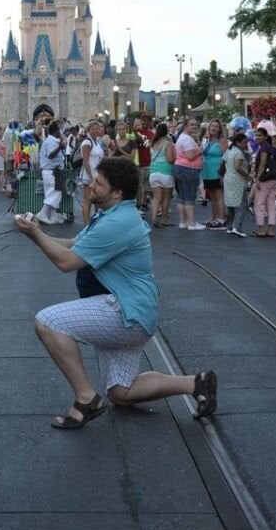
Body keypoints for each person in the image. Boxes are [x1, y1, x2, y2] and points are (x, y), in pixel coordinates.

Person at [14, 157, 217, 428]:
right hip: (132, 313)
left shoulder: (118, 223)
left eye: (99, 183)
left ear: (117, 192)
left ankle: (86, 399)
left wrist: (37, 235)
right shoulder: (112, 215)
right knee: (122, 393)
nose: (92, 186)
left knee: (48, 322)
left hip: (124, 312)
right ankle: (196, 383)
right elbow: (73, 245)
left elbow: (66, 262)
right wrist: (34, 233)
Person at [174, 117, 205, 231]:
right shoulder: (187, 139)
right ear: (185, 126)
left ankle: (183, 222)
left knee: (182, 197)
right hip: (188, 169)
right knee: (189, 196)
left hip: (181, 168)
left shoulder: (182, 137)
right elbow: (190, 156)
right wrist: (200, 150)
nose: (194, 127)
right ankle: (191, 223)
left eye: (195, 124)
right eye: (191, 124)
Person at [251, 126, 276, 238]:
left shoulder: (264, 148)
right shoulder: (271, 147)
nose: (257, 137)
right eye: (256, 135)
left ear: (265, 136)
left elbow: (263, 163)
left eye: (260, 135)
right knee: (271, 204)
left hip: (265, 179)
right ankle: (271, 229)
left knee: (259, 204)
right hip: (274, 178)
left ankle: (260, 229)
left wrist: (258, 178)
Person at [37, 120, 67, 225]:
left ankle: (53, 216)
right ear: (56, 131)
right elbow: (50, 155)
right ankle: (42, 213)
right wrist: (60, 147)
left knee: (52, 192)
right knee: (55, 193)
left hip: (51, 171)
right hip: (51, 171)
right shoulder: (51, 142)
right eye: (59, 130)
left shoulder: (51, 140)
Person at [222, 132, 251, 237]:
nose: (246, 144)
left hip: (228, 178)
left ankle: (230, 226)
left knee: (230, 204)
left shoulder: (229, 151)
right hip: (237, 180)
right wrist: (248, 175)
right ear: (238, 142)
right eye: (244, 142)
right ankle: (237, 227)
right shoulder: (239, 153)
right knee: (242, 204)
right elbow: (238, 167)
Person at [201, 119, 228, 230]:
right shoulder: (207, 140)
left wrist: (222, 174)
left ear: (219, 129)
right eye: (212, 126)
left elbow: (226, 156)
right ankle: (214, 217)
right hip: (207, 172)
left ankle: (221, 219)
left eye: (216, 126)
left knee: (219, 195)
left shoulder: (222, 140)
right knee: (212, 196)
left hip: (217, 171)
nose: (214, 128)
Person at [149, 122, 175, 227]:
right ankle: (164, 220)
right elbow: (169, 159)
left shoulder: (153, 142)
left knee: (156, 197)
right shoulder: (168, 143)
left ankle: (154, 217)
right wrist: (174, 159)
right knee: (166, 198)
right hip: (165, 172)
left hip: (153, 172)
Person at [80, 120, 105, 225]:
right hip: (88, 175)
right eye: (93, 129)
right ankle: (86, 223)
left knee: (97, 199)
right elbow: (85, 161)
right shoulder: (87, 142)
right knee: (88, 200)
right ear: (88, 130)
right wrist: (90, 177)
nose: (95, 131)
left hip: (97, 175)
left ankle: (94, 222)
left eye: (97, 129)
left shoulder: (97, 141)